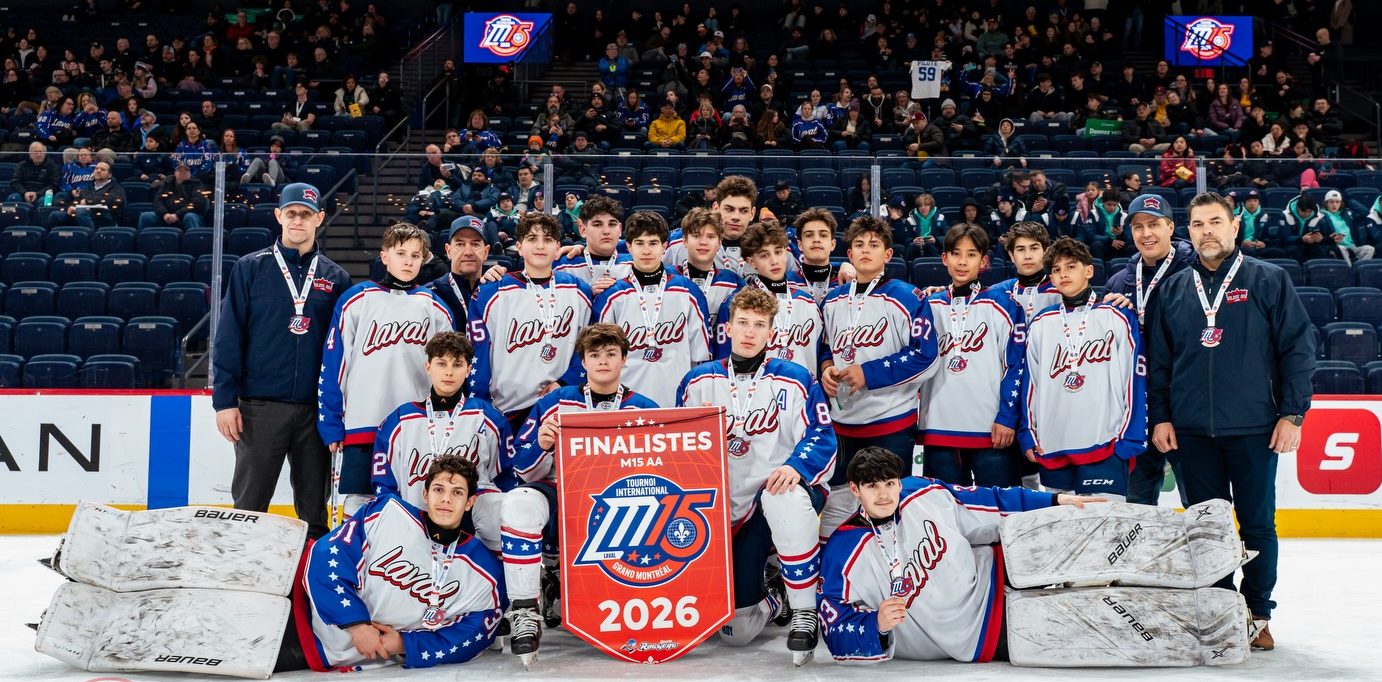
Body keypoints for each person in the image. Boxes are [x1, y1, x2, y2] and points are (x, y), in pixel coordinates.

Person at [1148, 192, 1317, 650]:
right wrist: (1161, 417)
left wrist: (1293, 413)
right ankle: (1224, 611)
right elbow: (1160, 363)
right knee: (1205, 527)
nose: (1207, 231)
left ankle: (1258, 613)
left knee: (1257, 525)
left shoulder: (1269, 279)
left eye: (1216, 221)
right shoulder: (1174, 288)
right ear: (1189, 231)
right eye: (1198, 223)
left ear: (1234, 226)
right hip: (1190, 432)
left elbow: (1298, 350)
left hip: (1255, 428)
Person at [816, 447, 1106, 664]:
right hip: (981, 634)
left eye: (889, 484)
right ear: (855, 489)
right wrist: (875, 625)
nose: (883, 495)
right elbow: (834, 628)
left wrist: (1055, 501)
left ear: (900, 482)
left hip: (996, 573)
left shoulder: (923, 492)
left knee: (1076, 545)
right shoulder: (842, 549)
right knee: (1089, 629)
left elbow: (990, 500)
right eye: (872, 486)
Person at [678, 288, 837, 662]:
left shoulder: (796, 378)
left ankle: (803, 611)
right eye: (743, 323)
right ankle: (774, 592)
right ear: (729, 328)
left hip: (772, 496)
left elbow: (822, 435)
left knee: (783, 496)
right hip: (717, 505)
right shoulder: (697, 381)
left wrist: (796, 466)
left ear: (772, 333)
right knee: (736, 633)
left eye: (759, 325)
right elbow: (678, 445)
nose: (750, 332)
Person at [502, 324, 659, 661]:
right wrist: (542, 444)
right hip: (561, 488)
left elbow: (658, 472)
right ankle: (525, 610)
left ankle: (629, 598)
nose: (602, 361)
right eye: (594, 355)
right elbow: (522, 469)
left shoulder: (645, 407)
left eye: (610, 354)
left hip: (620, 500)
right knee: (517, 502)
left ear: (624, 360)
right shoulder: (555, 402)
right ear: (583, 362)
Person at [213, 183, 351, 539]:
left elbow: (343, 351)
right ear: (279, 216)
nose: (298, 221)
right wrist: (225, 402)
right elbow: (228, 338)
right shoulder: (250, 268)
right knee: (249, 507)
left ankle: (308, 588)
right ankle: (244, 584)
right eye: (291, 213)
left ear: (319, 219)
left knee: (314, 514)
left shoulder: (336, 278)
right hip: (260, 409)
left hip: (314, 412)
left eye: (306, 214)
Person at [293, 456, 506, 671]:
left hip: (333, 654)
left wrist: (403, 643)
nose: (446, 499)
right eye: (438, 490)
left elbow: (470, 637)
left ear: (470, 502)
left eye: (457, 493)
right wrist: (356, 625)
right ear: (425, 494)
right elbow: (328, 556)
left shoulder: (487, 575)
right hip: (303, 613)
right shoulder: (386, 513)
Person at [319, 222, 455, 515]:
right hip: (363, 421)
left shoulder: (435, 308)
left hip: (416, 425)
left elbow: (449, 373)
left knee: (413, 500)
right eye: (401, 253)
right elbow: (334, 365)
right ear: (384, 256)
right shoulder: (356, 300)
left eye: (416, 255)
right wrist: (330, 421)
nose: (408, 261)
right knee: (359, 502)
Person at [818, 216, 939, 536]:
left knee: (886, 504)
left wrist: (867, 373)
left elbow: (926, 358)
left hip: (890, 421)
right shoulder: (832, 299)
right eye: (858, 245)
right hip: (842, 422)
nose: (865, 250)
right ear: (849, 253)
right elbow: (825, 346)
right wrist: (826, 368)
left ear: (888, 254)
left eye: (874, 245)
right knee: (840, 504)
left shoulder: (908, 296)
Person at [1019, 237, 1145, 502]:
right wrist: (1028, 434)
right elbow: (1030, 384)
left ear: (1089, 270)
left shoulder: (1118, 315)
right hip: (1053, 446)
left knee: (1106, 533)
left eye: (1071, 266)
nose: (1063, 274)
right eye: (1056, 269)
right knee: (1064, 534)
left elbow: (1134, 379)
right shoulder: (1042, 322)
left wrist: (1129, 438)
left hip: (1105, 445)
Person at [371, 332, 514, 551]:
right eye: (441, 363)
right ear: (428, 367)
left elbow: (504, 476)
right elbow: (385, 484)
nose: (448, 372)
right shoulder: (399, 421)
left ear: (468, 370)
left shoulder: (487, 417)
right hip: (413, 529)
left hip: (472, 528)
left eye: (457, 365)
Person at [917, 223, 1026, 488]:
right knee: (946, 511)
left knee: (1001, 511)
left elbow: (1017, 366)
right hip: (939, 427)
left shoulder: (1004, 305)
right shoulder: (929, 306)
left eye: (971, 254)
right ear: (944, 258)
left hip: (991, 428)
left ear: (984, 260)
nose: (962, 262)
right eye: (956, 253)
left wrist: (1007, 418)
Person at [1104, 195, 1195, 505]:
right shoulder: (1118, 282)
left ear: (1171, 227)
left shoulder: (1196, 276)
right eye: (1138, 227)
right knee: (1136, 505)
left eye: (1154, 225)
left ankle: (1208, 554)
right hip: (1135, 411)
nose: (1146, 234)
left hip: (1184, 406)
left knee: (1200, 504)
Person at [469, 213, 592, 433]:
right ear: (519, 247)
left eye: (547, 239)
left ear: (558, 248)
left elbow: (587, 346)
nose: (540, 245)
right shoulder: (491, 292)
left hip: (561, 404)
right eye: (532, 239)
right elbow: (479, 354)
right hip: (507, 408)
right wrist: (480, 403)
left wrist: (566, 383)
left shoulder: (579, 290)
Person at [593, 211, 712, 407]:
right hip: (625, 403)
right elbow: (600, 357)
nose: (646, 250)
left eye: (653, 243)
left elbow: (701, 356)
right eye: (639, 243)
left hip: (677, 399)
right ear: (629, 246)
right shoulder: (611, 296)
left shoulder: (688, 292)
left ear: (664, 246)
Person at [718, 221, 821, 376]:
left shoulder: (808, 302)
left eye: (778, 252)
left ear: (786, 253)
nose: (774, 261)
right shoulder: (736, 304)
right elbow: (724, 363)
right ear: (751, 262)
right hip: (755, 395)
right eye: (764, 255)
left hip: (802, 393)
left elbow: (819, 355)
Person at [672, 207, 744, 327]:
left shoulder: (734, 283)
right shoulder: (668, 278)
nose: (703, 242)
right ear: (684, 241)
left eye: (710, 237)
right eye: (696, 236)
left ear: (719, 242)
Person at [552, 195, 632, 296]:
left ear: (620, 229)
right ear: (583, 230)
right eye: (597, 225)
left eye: (612, 224)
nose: (606, 231)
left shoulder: (636, 264)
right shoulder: (562, 266)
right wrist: (587, 295)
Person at [428, 216, 491, 331]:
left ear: (485, 252)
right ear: (449, 251)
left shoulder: (496, 293)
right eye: (460, 244)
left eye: (475, 244)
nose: (468, 252)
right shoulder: (430, 296)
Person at [45, 160, 125, 229]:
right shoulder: (88, 187)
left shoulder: (116, 187)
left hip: (104, 215)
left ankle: (90, 239)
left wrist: (88, 201)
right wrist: (71, 207)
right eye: (96, 169)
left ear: (109, 175)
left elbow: (114, 200)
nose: (98, 170)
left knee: (81, 211)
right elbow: (77, 201)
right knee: (55, 215)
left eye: (102, 169)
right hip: (83, 214)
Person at [795, 208, 846, 303]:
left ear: (833, 244)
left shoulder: (847, 280)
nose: (816, 240)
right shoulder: (786, 283)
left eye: (823, 235)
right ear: (800, 245)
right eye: (809, 235)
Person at [137, 162, 207, 229]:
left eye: (185, 170)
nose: (182, 173)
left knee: (190, 217)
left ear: (190, 173)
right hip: (167, 215)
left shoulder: (197, 184)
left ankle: (193, 240)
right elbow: (158, 201)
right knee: (145, 216)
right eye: (179, 170)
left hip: (186, 215)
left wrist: (177, 215)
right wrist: (165, 214)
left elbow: (196, 204)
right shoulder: (166, 183)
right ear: (175, 172)